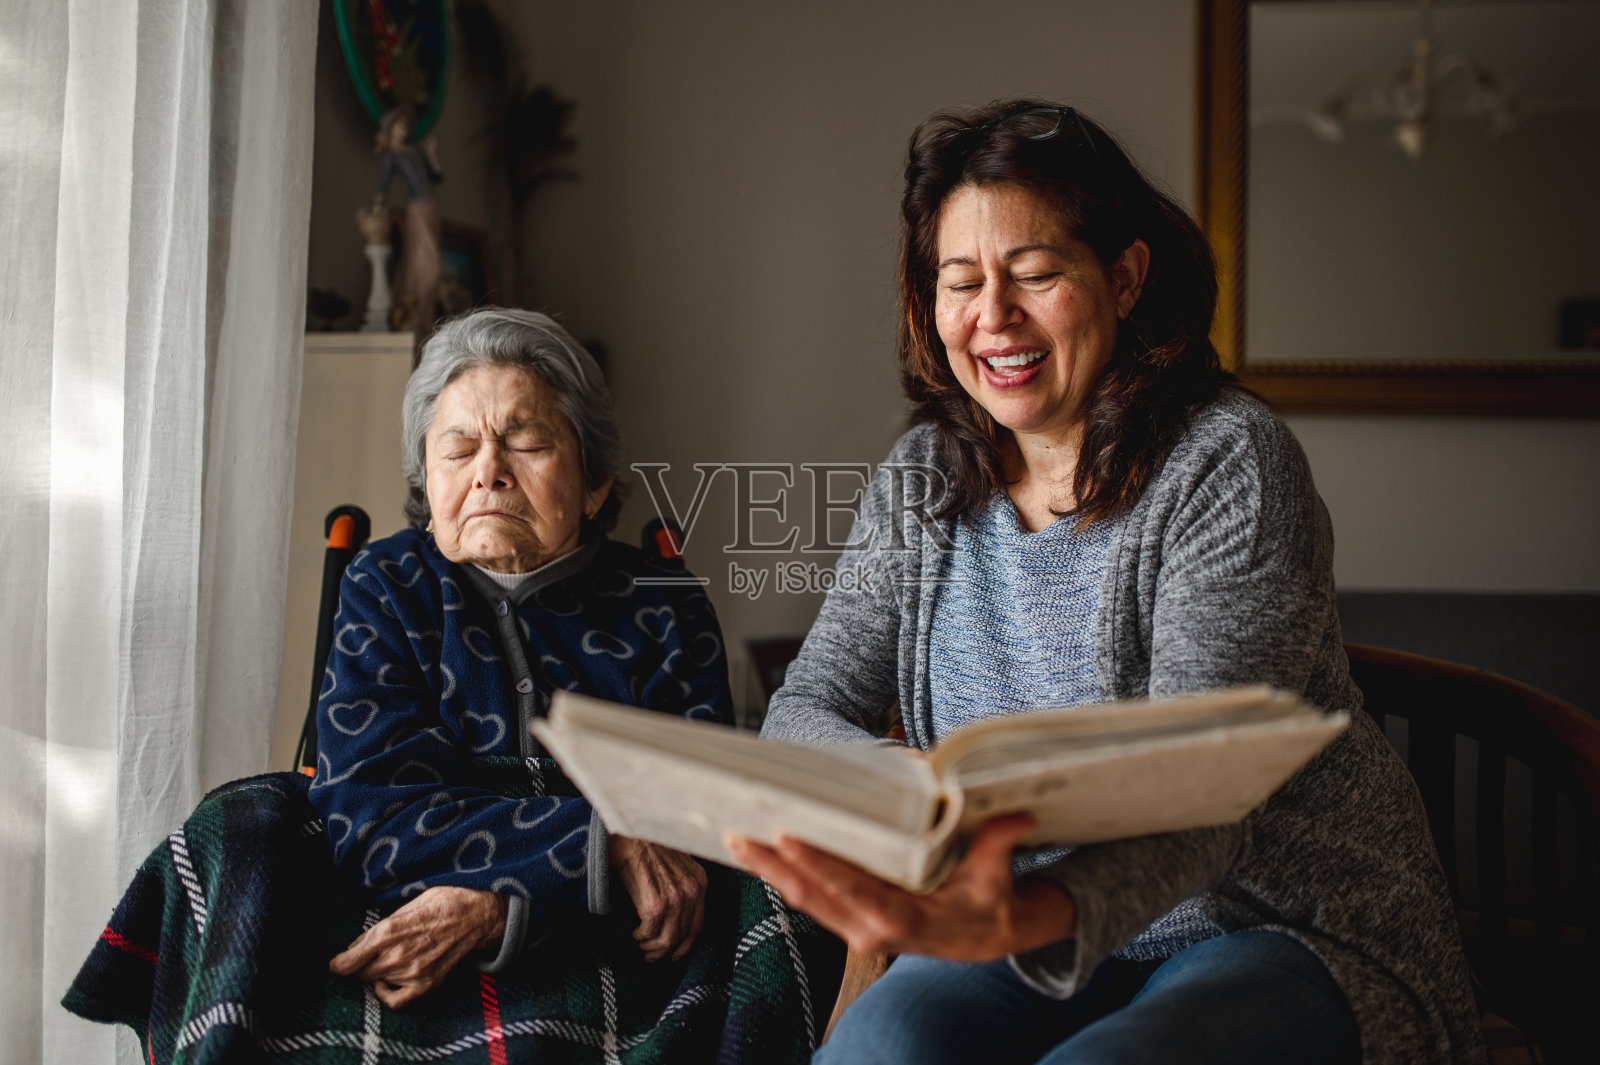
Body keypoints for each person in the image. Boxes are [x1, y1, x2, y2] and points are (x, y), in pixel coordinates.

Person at [731, 102, 1485, 1064]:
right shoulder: (922, 475)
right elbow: (806, 704)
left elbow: (1207, 790)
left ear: (1124, 277)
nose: (993, 317)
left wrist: (1025, 909)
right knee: (883, 1044)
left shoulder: (1226, 462)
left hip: (1273, 920)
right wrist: (908, 789)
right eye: (959, 283)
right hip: (1020, 928)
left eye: (1036, 275)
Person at [307, 307, 835, 1061]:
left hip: (625, 949)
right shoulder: (386, 585)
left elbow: (694, 824)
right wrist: (603, 842)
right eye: (458, 447)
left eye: (524, 439)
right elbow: (370, 816)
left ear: (594, 483)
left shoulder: (661, 596)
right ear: (427, 481)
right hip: (417, 933)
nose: (488, 468)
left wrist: (501, 908)